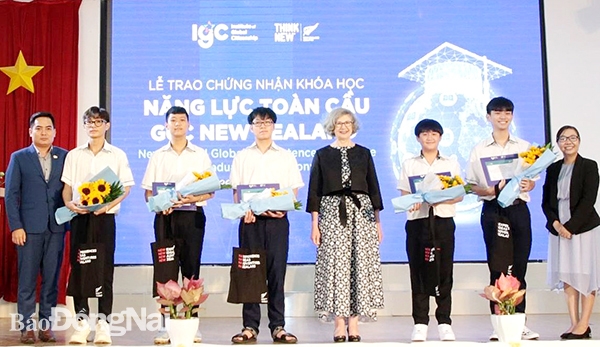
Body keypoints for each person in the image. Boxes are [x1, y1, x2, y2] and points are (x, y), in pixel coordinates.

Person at [306, 107, 384, 343]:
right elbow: (314, 192)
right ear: (332, 126)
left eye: (348, 122)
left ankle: (354, 322)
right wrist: (314, 224)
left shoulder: (364, 153)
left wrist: (378, 224)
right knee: (336, 266)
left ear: (353, 126)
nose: (343, 126)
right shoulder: (322, 154)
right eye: (339, 123)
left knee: (359, 265)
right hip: (331, 213)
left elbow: (374, 188)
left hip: (362, 213)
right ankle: (339, 323)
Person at [465, 97, 539, 340]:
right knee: (498, 268)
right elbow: (471, 185)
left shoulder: (525, 146)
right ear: (488, 117)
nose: (503, 117)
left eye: (507, 112)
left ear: (512, 116)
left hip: (518, 209)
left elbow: (532, 181)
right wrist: (488, 190)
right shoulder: (480, 149)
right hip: (493, 209)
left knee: (519, 266)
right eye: (497, 112)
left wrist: (528, 184)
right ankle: (499, 323)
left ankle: (519, 322)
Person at [229, 107, 304, 344]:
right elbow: (236, 191)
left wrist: (283, 207)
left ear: (274, 126)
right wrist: (244, 211)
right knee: (250, 273)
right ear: (251, 127)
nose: (263, 126)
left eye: (267, 122)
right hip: (250, 222)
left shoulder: (285, 155)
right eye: (258, 123)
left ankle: (278, 326)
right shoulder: (242, 156)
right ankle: (249, 326)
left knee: (276, 273)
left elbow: (293, 189)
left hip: (277, 222)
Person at [61, 107, 134, 344]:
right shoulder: (74, 155)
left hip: (105, 219)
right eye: (89, 122)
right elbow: (67, 188)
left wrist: (106, 205)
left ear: (107, 125)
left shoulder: (117, 155)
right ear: (84, 126)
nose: (93, 125)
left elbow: (125, 187)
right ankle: (82, 323)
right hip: (80, 218)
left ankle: (104, 323)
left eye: (98, 121)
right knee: (80, 269)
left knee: (104, 270)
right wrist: (69, 204)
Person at [141, 106, 213, 344]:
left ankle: (191, 323)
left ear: (189, 125)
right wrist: (160, 204)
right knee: (165, 272)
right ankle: (165, 326)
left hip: (192, 217)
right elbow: (148, 193)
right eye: (173, 120)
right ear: (166, 125)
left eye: (182, 120)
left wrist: (193, 198)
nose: (178, 124)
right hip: (165, 219)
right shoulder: (158, 155)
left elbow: (210, 191)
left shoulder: (200, 154)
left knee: (191, 270)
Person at [5, 112, 68, 344]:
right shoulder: (19, 157)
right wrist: (16, 226)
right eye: (39, 128)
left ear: (54, 132)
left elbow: (69, 190)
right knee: (28, 280)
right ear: (30, 131)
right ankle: (26, 327)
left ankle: (45, 326)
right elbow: (11, 196)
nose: (44, 132)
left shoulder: (64, 156)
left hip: (56, 228)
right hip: (28, 229)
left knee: (51, 280)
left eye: (48, 128)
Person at [397, 119, 461, 342]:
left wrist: (439, 198)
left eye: (434, 133)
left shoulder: (451, 163)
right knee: (419, 271)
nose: (430, 137)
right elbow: (405, 194)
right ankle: (420, 322)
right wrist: (415, 200)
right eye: (425, 134)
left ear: (441, 137)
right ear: (418, 138)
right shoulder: (410, 164)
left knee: (445, 271)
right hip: (418, 221)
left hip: (443, 220)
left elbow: (459, 194)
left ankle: (444, 321)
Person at [542, 125, 599, 340]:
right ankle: (574, 322)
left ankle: (584, 323)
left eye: (573, 137)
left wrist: (571, 227)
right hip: (560, 228)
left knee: (585, 273)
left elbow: (588, 200)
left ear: (579, 141)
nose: (569, 142)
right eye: (564, 138)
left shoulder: (589, 166)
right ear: (558, 143)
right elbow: (546, 202)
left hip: (583, 227)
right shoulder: (553, 169)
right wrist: (557, 225)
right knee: (567, 274)